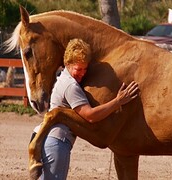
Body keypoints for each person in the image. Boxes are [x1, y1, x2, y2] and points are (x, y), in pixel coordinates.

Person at [32, 38, 139, 180]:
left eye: (85, 69)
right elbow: (90, 116)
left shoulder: (63, 78)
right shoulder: (70, 86)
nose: (82, 73)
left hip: (51, 140)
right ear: (68, 63)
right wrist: (118, 101)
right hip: (57, 143)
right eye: (78, 69)